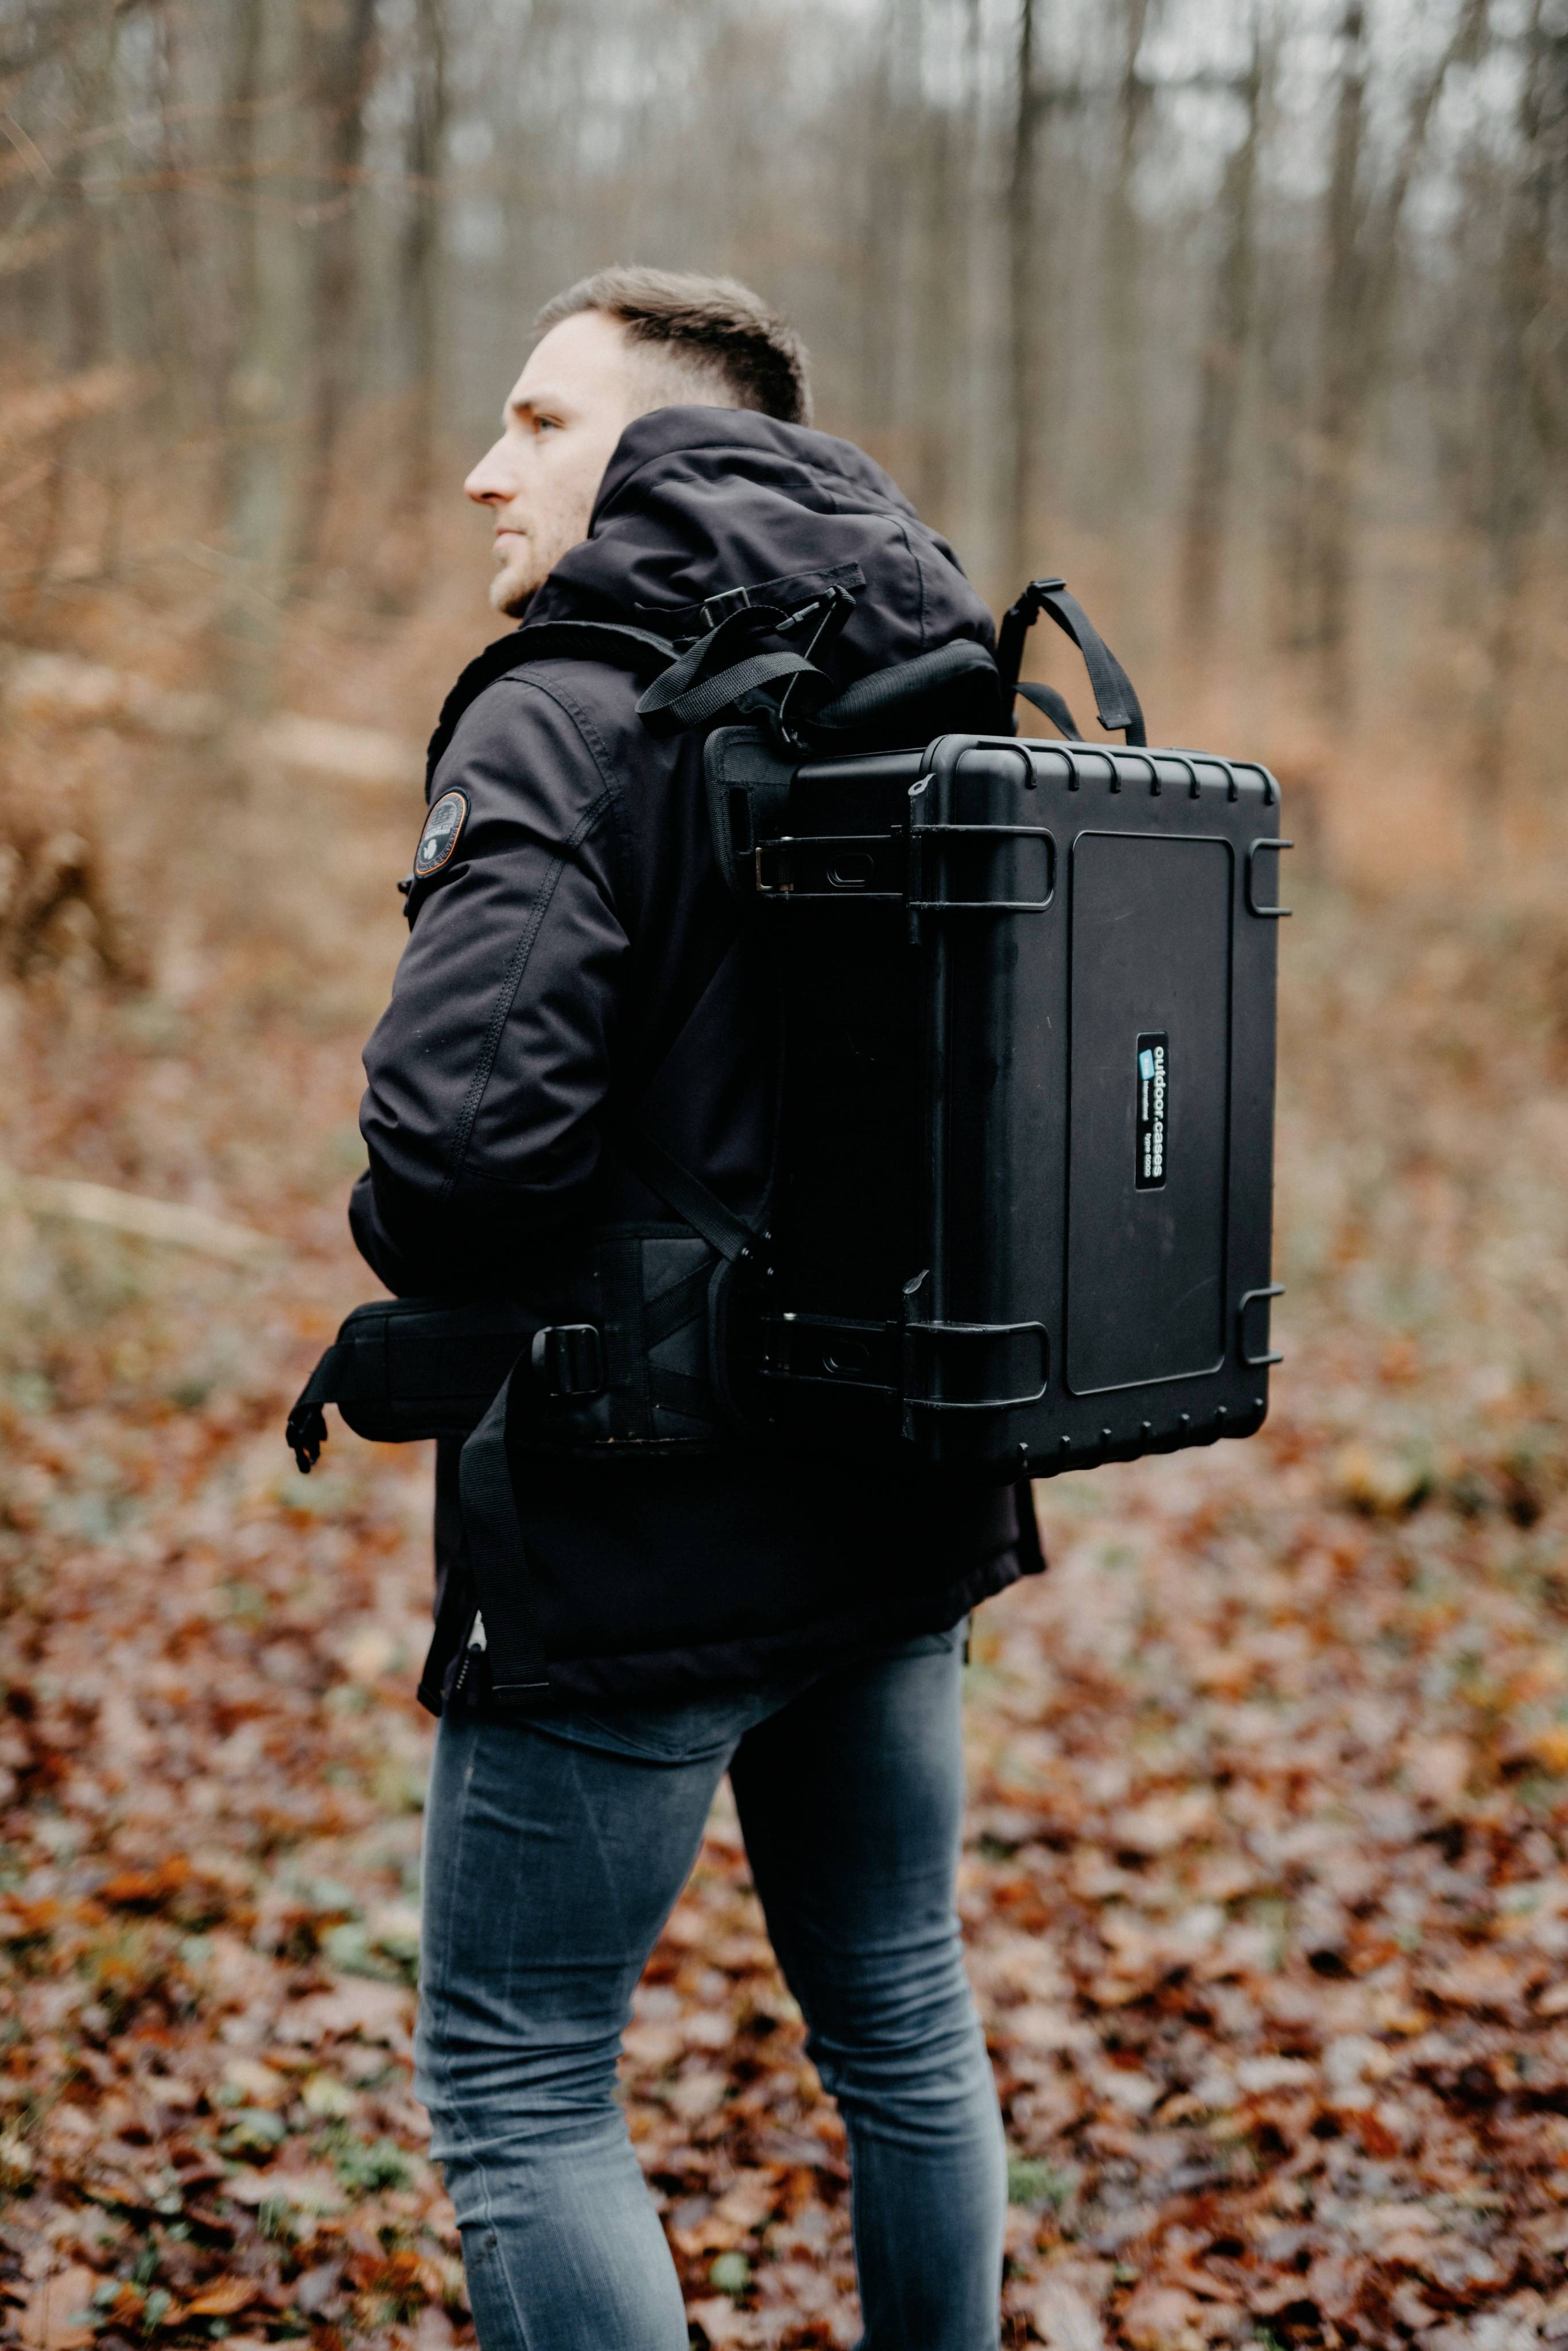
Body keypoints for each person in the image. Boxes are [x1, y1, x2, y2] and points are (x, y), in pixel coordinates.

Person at [350, 267, 1045, 2351]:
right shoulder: (924, 673)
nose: (487, 467)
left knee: (523, 2082)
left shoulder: (571, 703)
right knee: (904, 2017)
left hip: (639, 1517)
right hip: (894, 1480)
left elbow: (462, 1158)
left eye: (542, 424)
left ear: (663, 446)